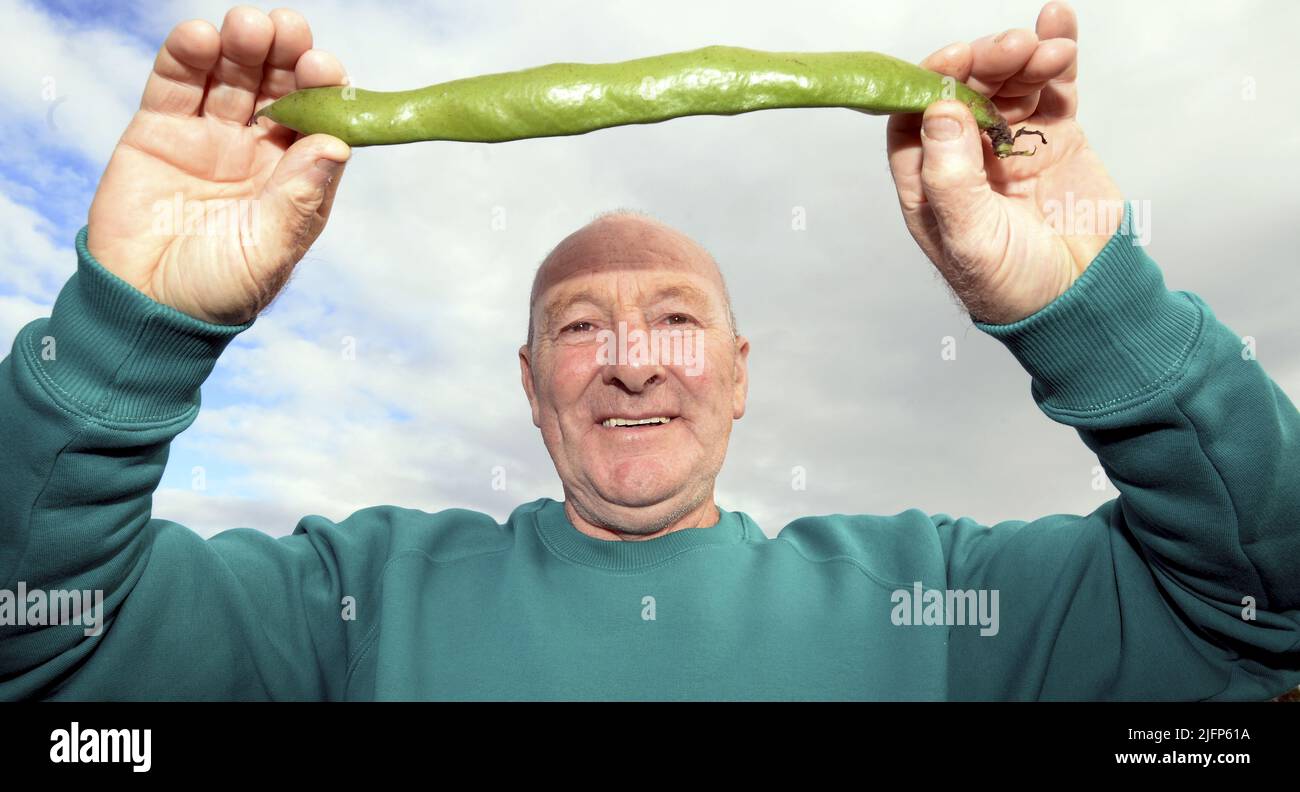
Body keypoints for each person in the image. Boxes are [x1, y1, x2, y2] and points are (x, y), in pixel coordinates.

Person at [1, 2, 1296, 701]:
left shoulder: (944, 602)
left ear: (739, 371)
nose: (633, 363)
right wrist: (134, 317)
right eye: (580, 329)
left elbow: (1262, 604)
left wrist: (1089, 300)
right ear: (529, 386)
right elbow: (40, 634)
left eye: (676, 321)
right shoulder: (351, 600)